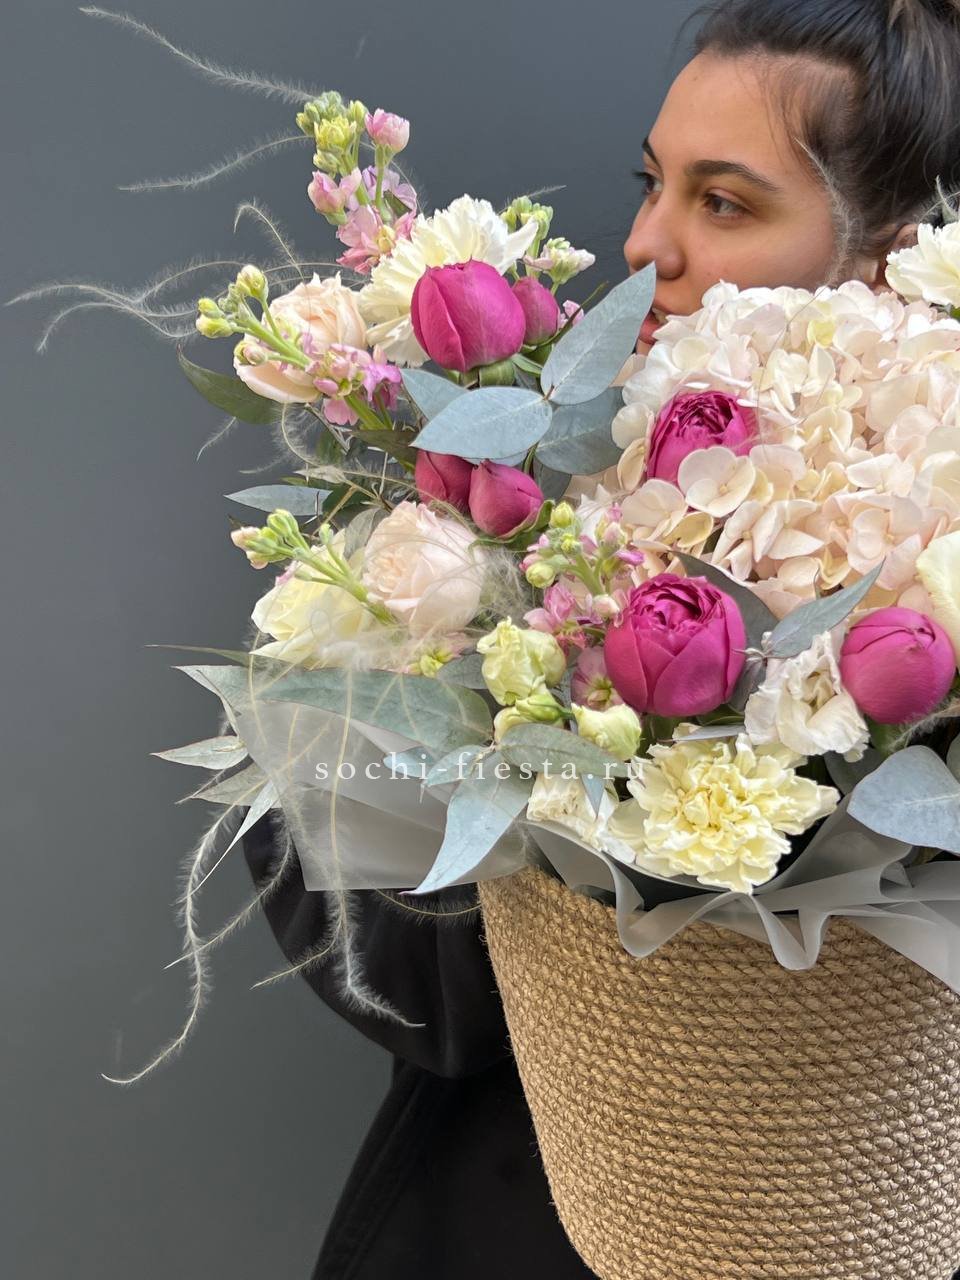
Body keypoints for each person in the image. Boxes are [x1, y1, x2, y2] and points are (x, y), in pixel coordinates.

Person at [243, 2, 960, 1275]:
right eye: (652, 182)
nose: (645, 244)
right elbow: (409, 990)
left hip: (863, 1212)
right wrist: (499, 788)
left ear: (893, 257)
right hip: (521, 1207)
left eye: (722, 202)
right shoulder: (531, 484)